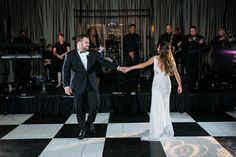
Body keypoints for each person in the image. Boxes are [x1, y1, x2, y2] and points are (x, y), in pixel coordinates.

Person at [63, 34, 125, 140]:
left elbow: (104, 62)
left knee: (95, 106)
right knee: (79, 109)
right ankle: (82, 129)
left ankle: (89, 122)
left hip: (91, 84)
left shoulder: (93, 53)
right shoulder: (70, 55)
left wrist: (118, 67)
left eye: (88, 42)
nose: (89, 44)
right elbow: (66, 71)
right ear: (79, 43)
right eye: (86, 42)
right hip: (78, 85)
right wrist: (66, 85)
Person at [125, 42, 182, 141]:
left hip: (161, 85)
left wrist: (129, 68)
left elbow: (143, 65)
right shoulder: (166, 59)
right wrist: (179, 85)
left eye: (158, 47)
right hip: (163, 84)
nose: (157, 48)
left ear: (160, 49)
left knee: (160, 106)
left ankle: (159, 128)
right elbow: (176, 73)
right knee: (160, 106)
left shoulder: (159, 58)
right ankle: (160, 127)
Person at [123, 24, 141, 91]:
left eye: (134, 28)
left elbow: (139, 47)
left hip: (135, 56)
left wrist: (134, 53)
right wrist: (129, 53)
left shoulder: (138, 37)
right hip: (128, 56)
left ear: (135, 29)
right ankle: (128, 85)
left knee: (136, 71)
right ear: (129, 29)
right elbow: (124, 47)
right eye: (131, 28)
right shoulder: (125, 37)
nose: (132, 29)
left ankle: (136, 85)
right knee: (128, 71)